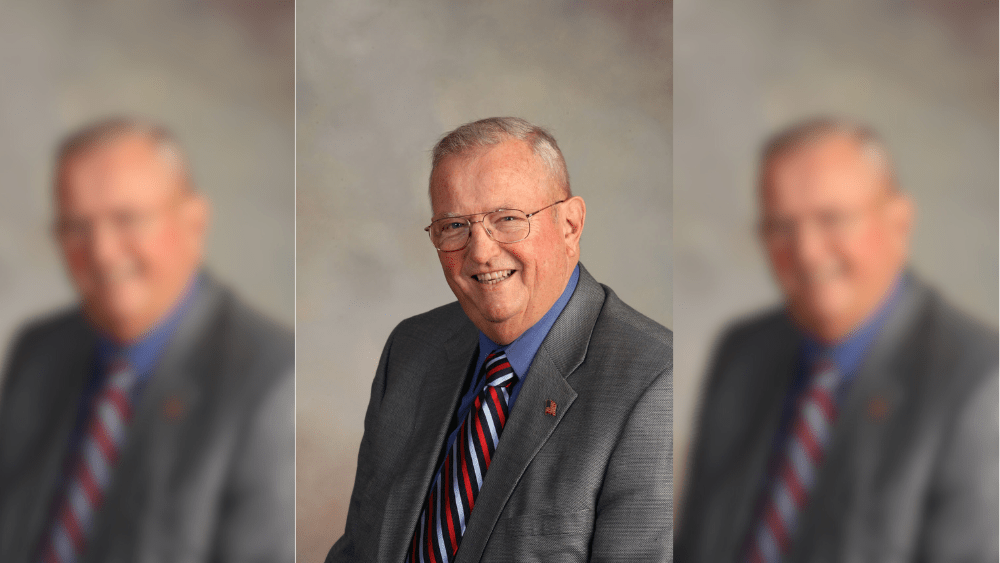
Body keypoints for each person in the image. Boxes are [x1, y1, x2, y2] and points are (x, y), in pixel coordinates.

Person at [327, 117, 673, 563]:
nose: (481, 251)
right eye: (454, 226)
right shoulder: (411, 350)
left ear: (570, 224)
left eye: (508, 219)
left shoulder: (653, 384)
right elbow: (356, 551)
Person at [677, 118, 998, 563]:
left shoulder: (980, 383)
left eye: (833, 219)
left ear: (898, 221)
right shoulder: (742, 351)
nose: (806, 251)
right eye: (781, 226)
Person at [0, 118, 294, 563]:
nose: (101, 251)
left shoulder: (272, 381)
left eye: (127, 219)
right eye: (76, 226)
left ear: (193, 221)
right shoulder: (39, 350)